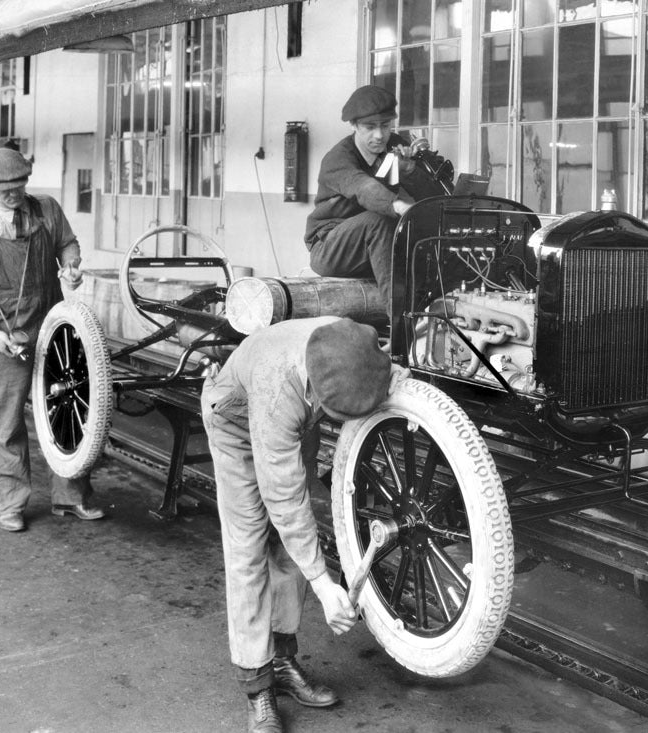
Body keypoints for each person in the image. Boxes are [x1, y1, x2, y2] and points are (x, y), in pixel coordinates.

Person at [200, 316, 404, 733]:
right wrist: (325, 584)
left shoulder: (350, 342)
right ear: (315, 391)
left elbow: (392, 376)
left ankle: (281, 660)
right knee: (250, 547)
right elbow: (284, 501)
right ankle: (257, 688)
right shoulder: (280, 390)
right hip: (235, 421)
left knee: (290, 546)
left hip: (297, 421)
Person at [0, 147, 105, 532]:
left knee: (67, 413)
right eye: (5, 191)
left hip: (53, 328)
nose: (15, 195)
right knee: (7, 421)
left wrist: (70, 266)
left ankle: (71, 496)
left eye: (20, 186)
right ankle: (9, 503)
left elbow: (68, 242)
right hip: (7, 337)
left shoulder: (47, 209)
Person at [304, 85, 429, 308]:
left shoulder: (394, 146)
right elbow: (364, 188)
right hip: (329, 245)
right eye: (370, 127)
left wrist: (409, 170)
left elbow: (428, 192)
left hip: (373, 245)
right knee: (379, 222)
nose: (379, 135)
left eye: (385, 126)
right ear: (354, 126)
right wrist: (399, 207)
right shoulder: (338, 159)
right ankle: (400, 320)